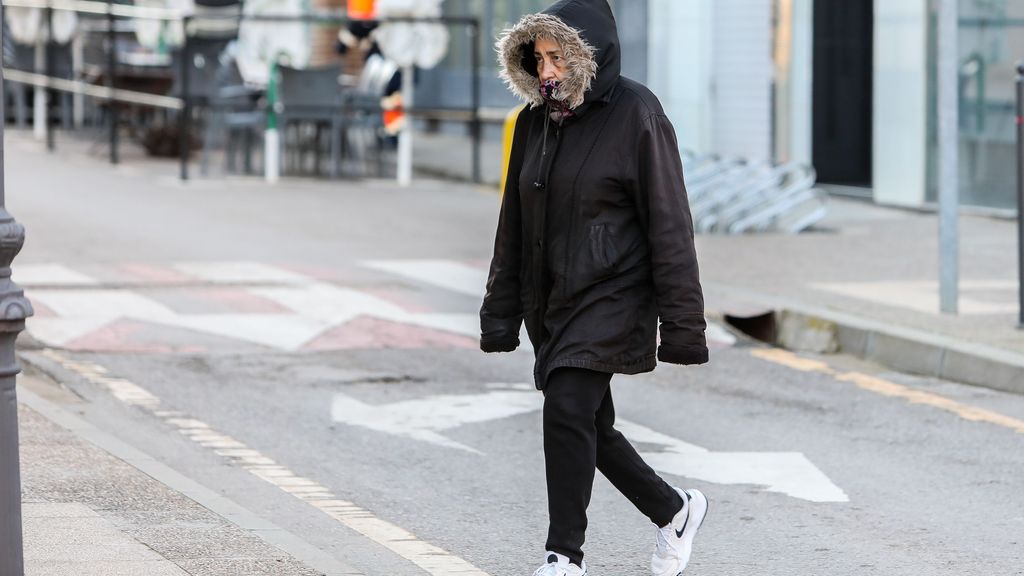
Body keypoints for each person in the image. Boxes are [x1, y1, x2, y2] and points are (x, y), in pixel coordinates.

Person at [480, 1, 710, 575]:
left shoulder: (638, 114)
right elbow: (514, 220)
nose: (548, 70)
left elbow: (670, 224)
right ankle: (674, 510)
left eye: (558, 56)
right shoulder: (534, 120)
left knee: (566, 406)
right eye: (539, 58)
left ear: (590, 52)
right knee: (586, 423)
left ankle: (563, 558)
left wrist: (683, 325)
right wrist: (500, 313)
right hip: (552, 300)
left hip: (616, 292)